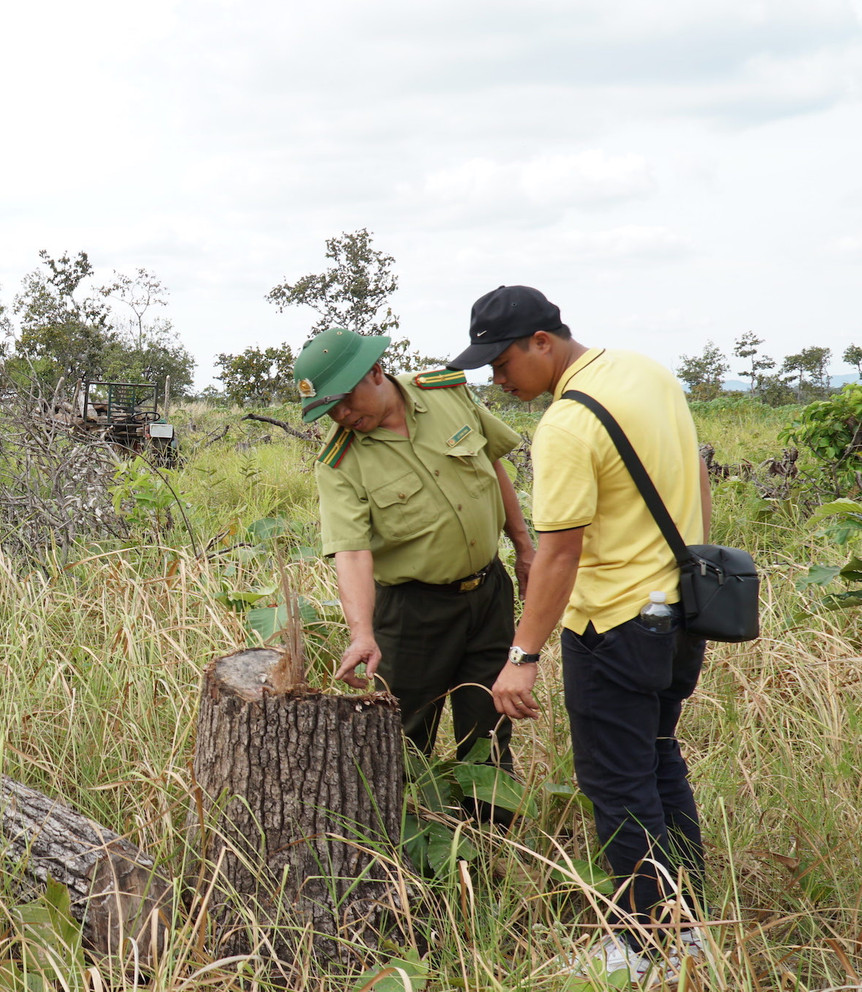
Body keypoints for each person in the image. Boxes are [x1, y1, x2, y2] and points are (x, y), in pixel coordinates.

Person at [446, 285, 711, 979]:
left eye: (502, 364)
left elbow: (558, 553)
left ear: (543, 341)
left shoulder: (566, 423)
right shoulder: (647, 373)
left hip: (615, 622)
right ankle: (687, 930)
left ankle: (643, 947)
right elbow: (699, 480)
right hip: (682, 610)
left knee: (618, 784)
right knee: (658, 759)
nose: (498, 382)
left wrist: (522, 656)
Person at [293, 326, 535, 778]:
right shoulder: (340, 462)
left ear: (377, 372)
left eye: (345, 399)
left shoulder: (448, 393)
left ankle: (486, 840)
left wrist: (524, 547)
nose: (342, 415)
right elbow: (351, 551)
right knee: (399, 740)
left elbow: (494, 466)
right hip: (412, 614)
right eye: (329, 410)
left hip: (489, 593)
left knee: (489, 727)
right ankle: (404, 842)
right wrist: (362, 633)